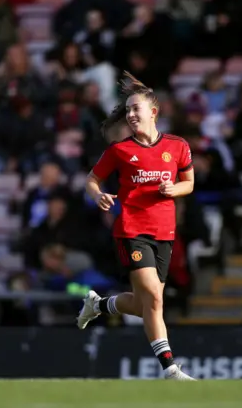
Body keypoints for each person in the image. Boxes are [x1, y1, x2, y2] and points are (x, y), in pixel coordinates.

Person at [76, 71, 196, 381]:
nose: (130, 115)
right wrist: (98, 195)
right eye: (127, 110)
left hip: (165, 233)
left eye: (135, 109)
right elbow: (91, 178)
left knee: (146, 306)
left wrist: (174, 190)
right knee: (154, 299)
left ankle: (99, 305)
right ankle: (170, 369)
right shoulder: (120, 151)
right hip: (131, 230)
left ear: (153, 112)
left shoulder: (178, 146)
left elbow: (189, 183)